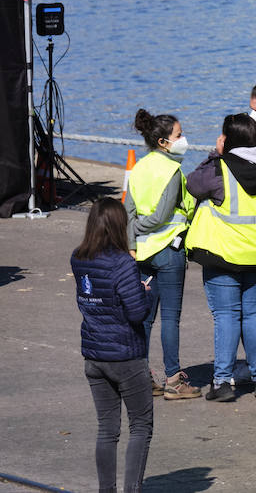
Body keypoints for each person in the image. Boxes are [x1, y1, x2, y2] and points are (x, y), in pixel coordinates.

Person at [186, 113, 256, 402]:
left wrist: (214, 154)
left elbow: (193, 185)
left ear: (228, 140)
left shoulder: (220, 168)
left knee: (226, 317)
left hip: (223, 254)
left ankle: (222, 382)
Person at [72, 197, 154, 493]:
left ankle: (106, 489)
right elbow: (136, 313)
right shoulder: (123, 263)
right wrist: (143, 292)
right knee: (141, 426)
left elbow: (91, 300)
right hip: (125, 356)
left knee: (107, 430)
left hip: (94, 354)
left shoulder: (79, 258)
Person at [125, 108, 200, 401]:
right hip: (169, 249)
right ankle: (173, 379)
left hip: (143, 251)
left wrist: (133, 238)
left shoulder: (140, 167)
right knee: (170, 318)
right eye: (179, 135)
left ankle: (142, 378)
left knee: (145, 317)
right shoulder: (171, 171)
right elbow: (160, 216)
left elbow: (128, 209)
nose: (184, 140)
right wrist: (143, 226)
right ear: (163, 142)